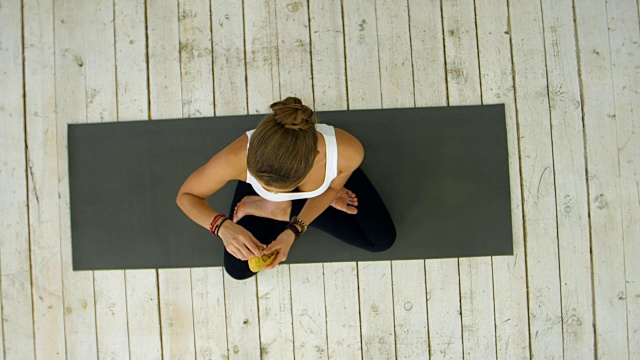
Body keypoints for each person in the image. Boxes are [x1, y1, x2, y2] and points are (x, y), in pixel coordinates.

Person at [176, 97, 395, 280]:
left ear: (314, 161)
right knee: (238, 268)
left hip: (328, 176)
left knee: (381, 240)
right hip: (288, 179)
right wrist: (221, 226)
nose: (277, 193)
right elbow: (186, 195)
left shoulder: (347, 152)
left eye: (282, 191)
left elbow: (328, 191)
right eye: (265, 187)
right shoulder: (235, 159)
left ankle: (280, 209)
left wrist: (293, 231)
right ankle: (267, 203)